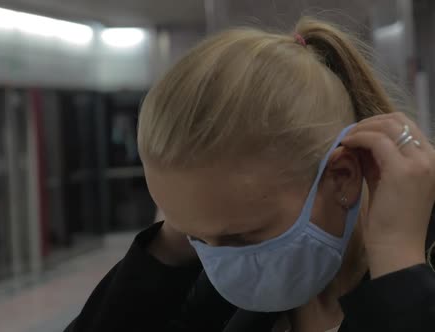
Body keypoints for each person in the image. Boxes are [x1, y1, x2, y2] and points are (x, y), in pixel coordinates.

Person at [65, 17, 435, 332]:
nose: (225, 267)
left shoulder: (418, 275)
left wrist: (397, 267)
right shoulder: (221, 294)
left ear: (342, 177)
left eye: (242, 236)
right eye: (196, 238)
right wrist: (173, 243)